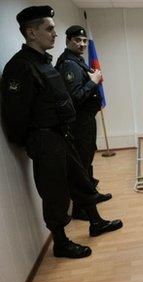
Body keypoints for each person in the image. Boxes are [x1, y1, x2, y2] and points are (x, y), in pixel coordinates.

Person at [0, 6, 122, 259]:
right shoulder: (20, 68)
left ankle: (96, 222)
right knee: (54, 193)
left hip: (62, 135)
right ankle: (61, 243)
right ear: (32, 33)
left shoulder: (43, 62)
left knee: (81, 180)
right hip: (45, 140)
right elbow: (16, 114)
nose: (55, 34)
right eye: (50, 29)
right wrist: (31, 141)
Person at [55, 25, 112, 220]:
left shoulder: (77, 61)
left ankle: (91, 196)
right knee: (81, 164)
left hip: (86, 121)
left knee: (86, 161)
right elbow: (75, 97)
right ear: (68, 41)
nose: (81, 44)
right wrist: (93, 82)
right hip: (79, 124)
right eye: (77, 40)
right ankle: (81, 208)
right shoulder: (69, 64)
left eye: (84, 41)